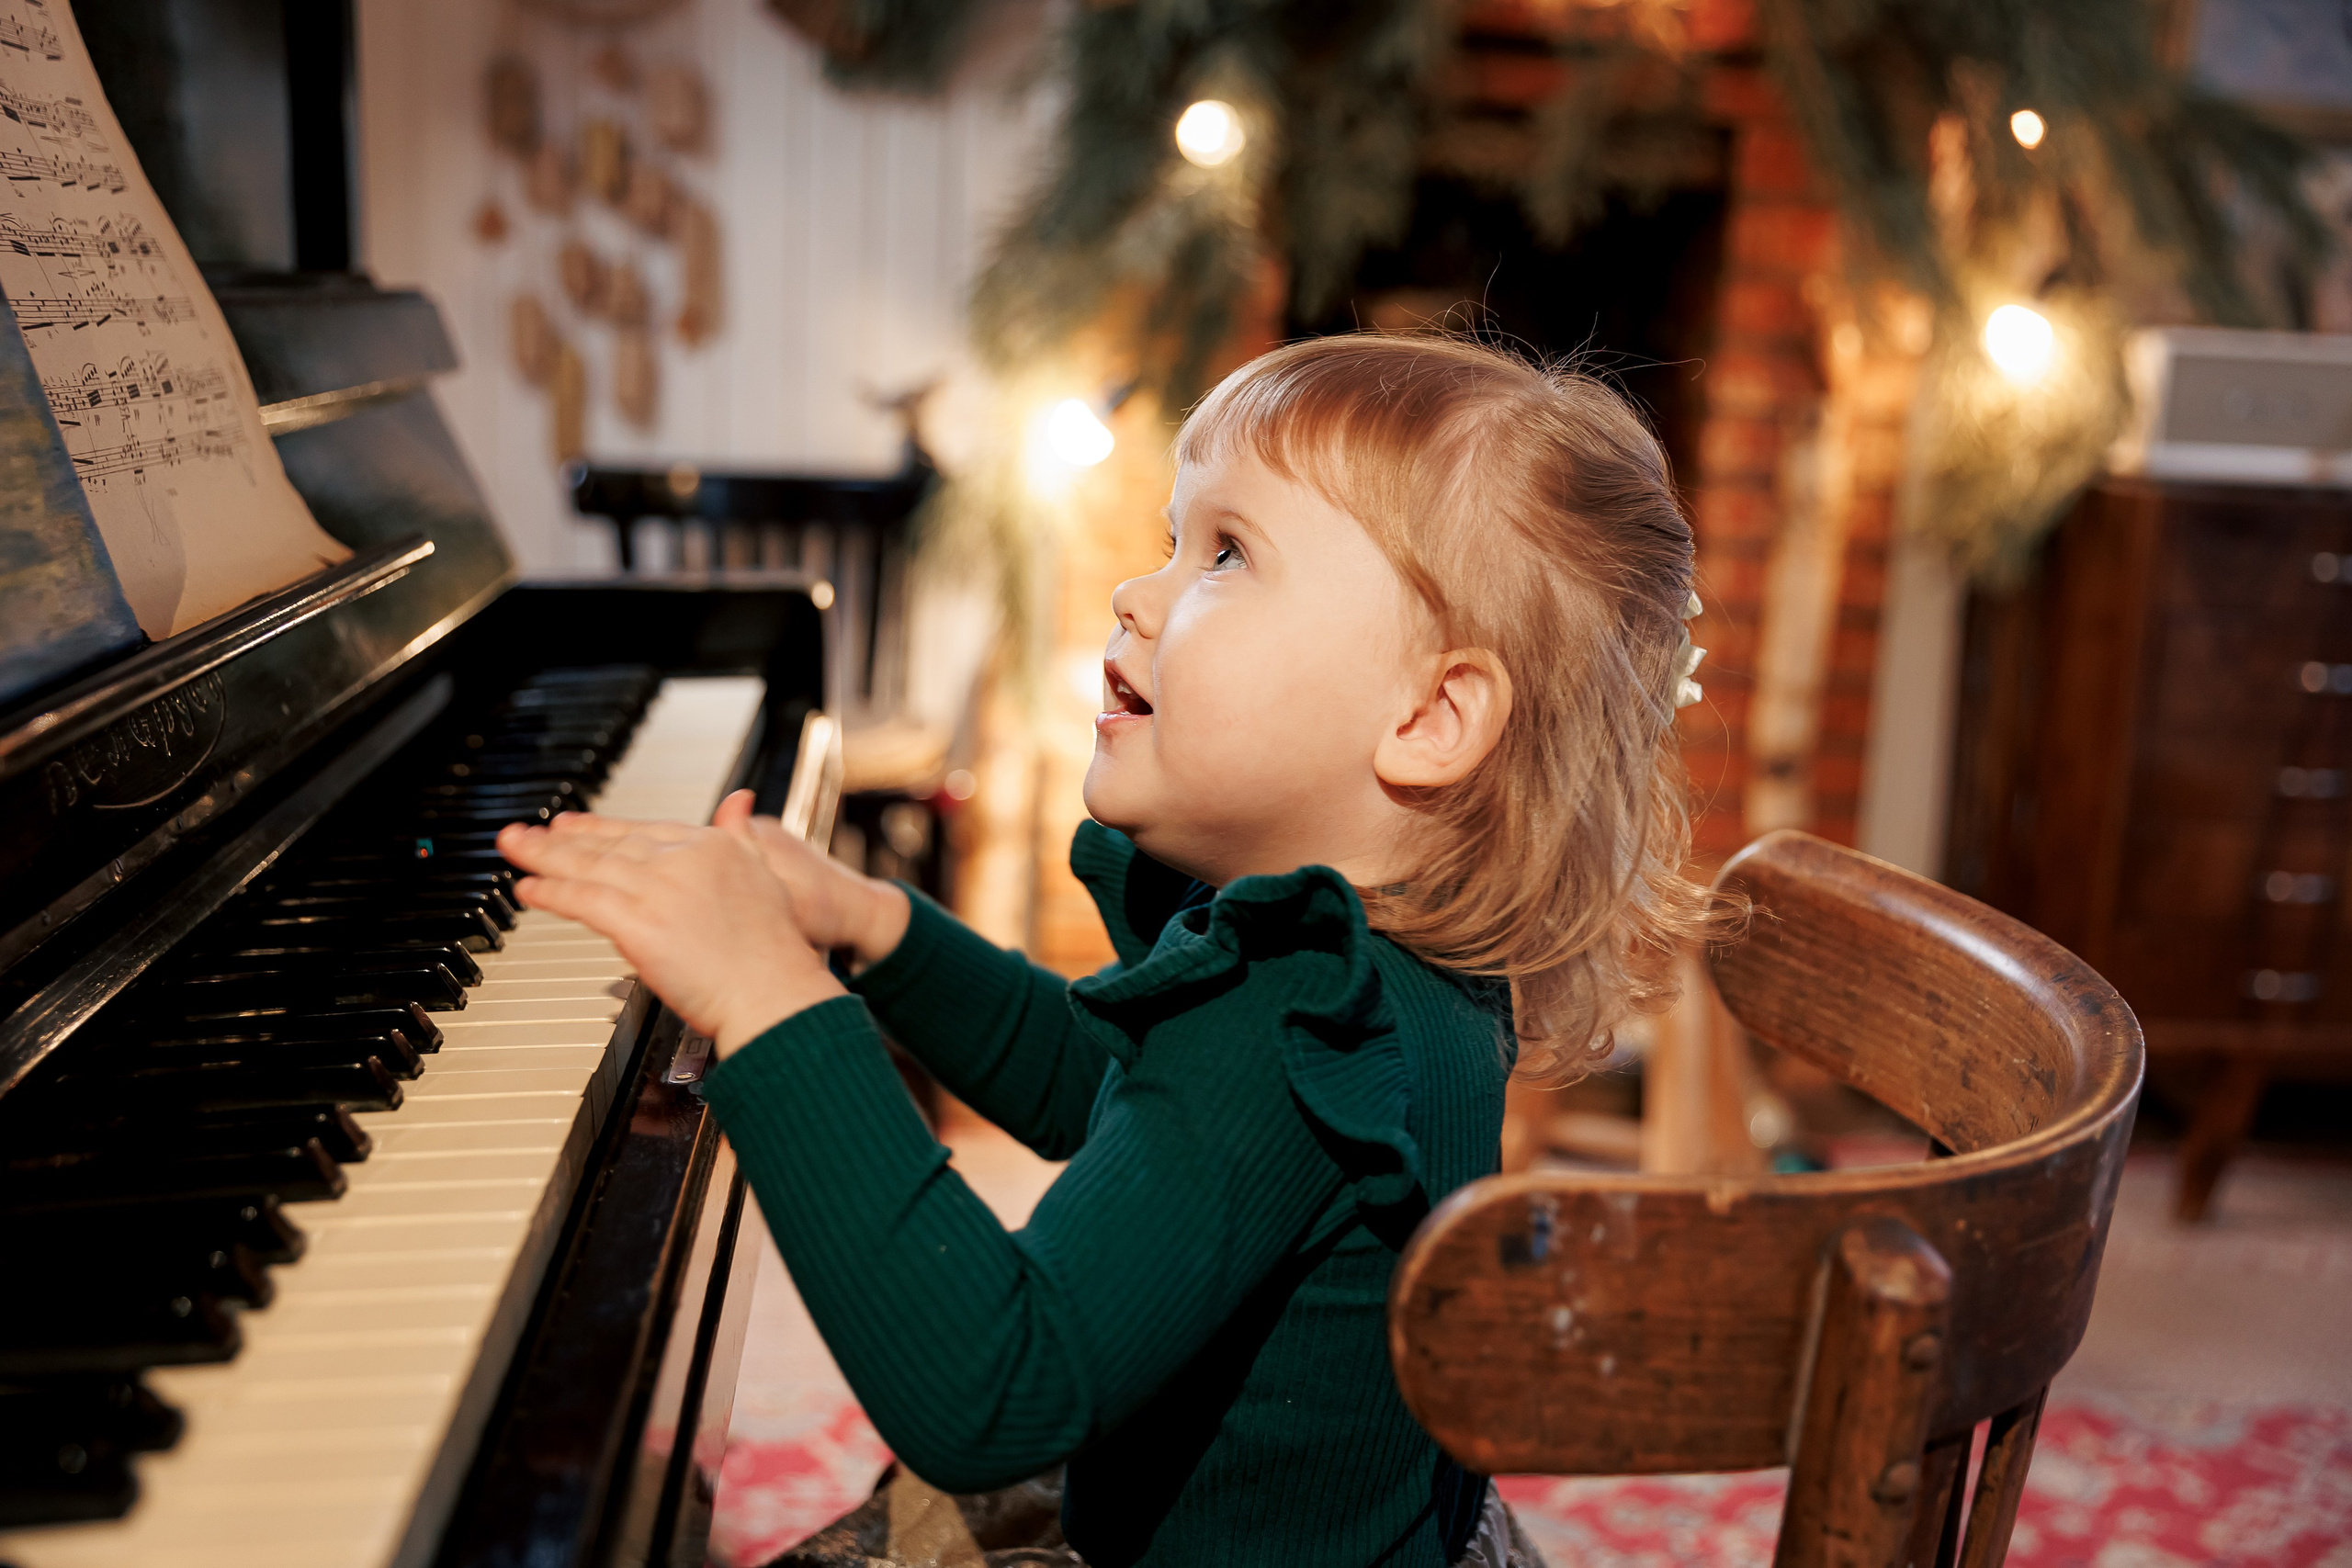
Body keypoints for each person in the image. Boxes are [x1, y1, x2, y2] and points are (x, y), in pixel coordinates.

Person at [495, 333, 1724, 1567]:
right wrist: (878, 928)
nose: (1139, 592)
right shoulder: (1395, 968)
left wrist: (769, 1001)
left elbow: (995, 1389)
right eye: (1173, 537)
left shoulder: (1293, 1018)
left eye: (1228, 552)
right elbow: (1111, 1085)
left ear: (1428, 716)